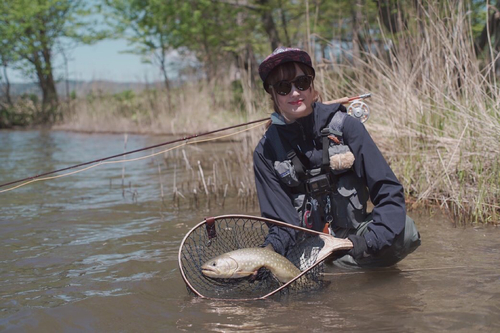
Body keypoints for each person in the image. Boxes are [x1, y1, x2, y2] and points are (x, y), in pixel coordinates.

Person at [253, 46, 420, 268]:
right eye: (284, 87)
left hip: (353, 239)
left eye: (301, 83)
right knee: (279, 269)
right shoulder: (266, 151)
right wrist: (268, 254)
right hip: (306, 248)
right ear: (273, 95)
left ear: (312, 86)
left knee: (406, 232)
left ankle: (345, 265)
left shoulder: (346, 127)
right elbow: (282, 225)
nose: (295, 93)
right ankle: (326, 270)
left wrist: (368, 242)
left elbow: (388, 191)